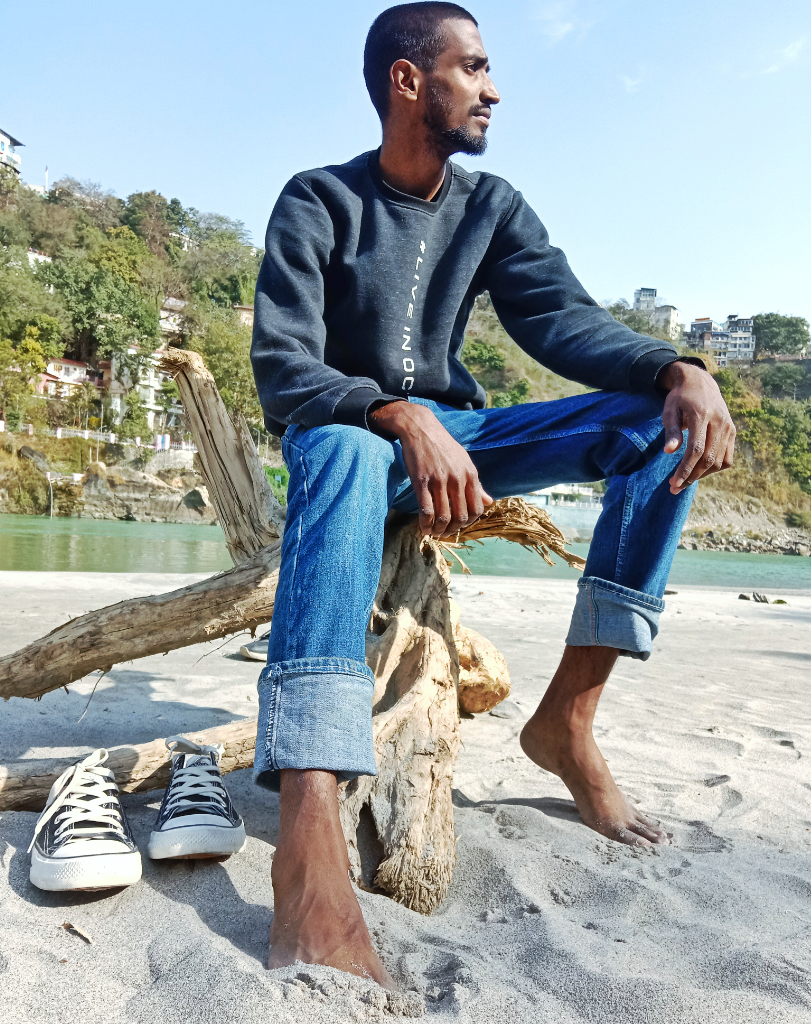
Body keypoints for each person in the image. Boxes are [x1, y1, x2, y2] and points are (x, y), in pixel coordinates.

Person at [250, 2, 735, 988]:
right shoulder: (316, 201)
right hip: (348, 439)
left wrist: (673, 365)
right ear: (406, 81)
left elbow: (561, 321)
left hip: (460, 440)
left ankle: (568, 718)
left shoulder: (490, 206)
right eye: (471, 67)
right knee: (342, 450)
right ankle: (305, 829)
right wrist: (394, 411)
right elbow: (282, 366)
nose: (493, 87)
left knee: (651, 424)